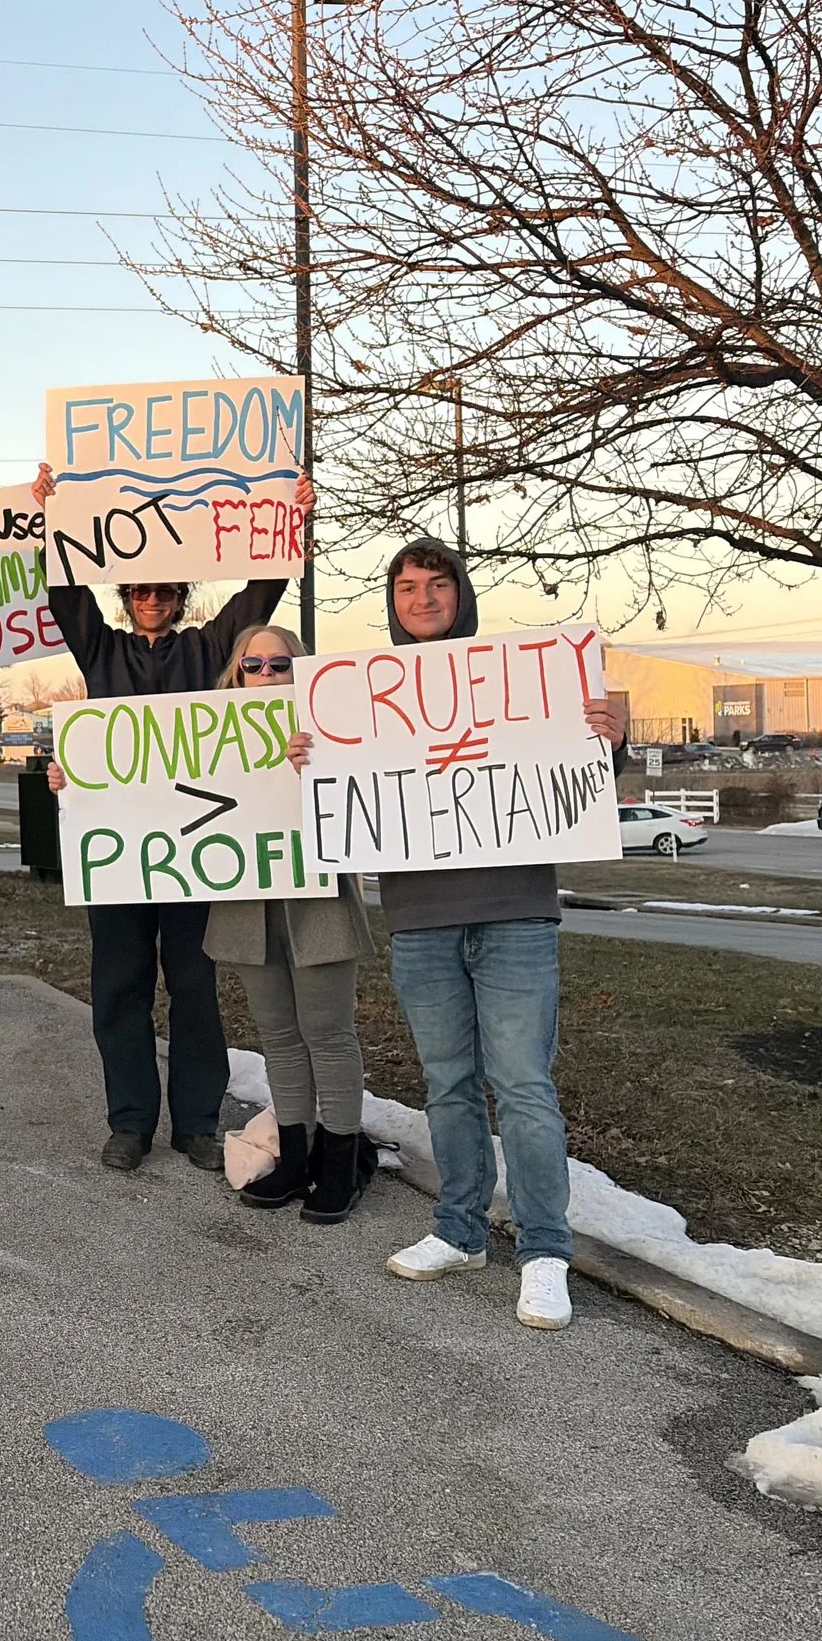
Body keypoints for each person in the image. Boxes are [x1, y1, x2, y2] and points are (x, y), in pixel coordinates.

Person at [289, 538, 627, 1331]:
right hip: (420, 920)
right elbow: (342, 795)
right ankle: (461, 1228)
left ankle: (545, 1249)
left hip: (515, 911)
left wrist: (609, 739)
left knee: (523, 1087)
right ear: (393, 603)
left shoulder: (527, 678)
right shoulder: (359, 701)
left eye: (436, 584)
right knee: (447, 1083)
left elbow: (576, 779)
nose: (422, 597)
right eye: (406, 587)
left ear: (460, 595)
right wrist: (312, 760)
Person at [30, 463, 309, 1174]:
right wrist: (54, 518)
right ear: (125, 597)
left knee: (195, 986)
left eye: (165, 589)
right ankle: (129, 1123)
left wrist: (289, 517)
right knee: (119, 986)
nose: (152, 598)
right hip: (118, 854)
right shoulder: (101, 649)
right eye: (140, 589)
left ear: (182, 595)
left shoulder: (208, 647)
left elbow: (260, 592)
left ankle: (195, 1124)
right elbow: (65, 590)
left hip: (194, 852)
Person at [207, 623, 376, 1222]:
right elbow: (143, 791)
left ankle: (342, 1162)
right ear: (235, 674)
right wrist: (75, 784)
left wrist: (322, 762)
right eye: (253, 667)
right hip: (245, 901)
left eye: (280, 665)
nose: (267, 676)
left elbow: (371, 796)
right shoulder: (205, 734)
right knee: (278, 1036)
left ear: (301, 671)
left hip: (317, 897)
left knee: (328, 1034)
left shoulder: (338, 729)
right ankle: (296, 1156)